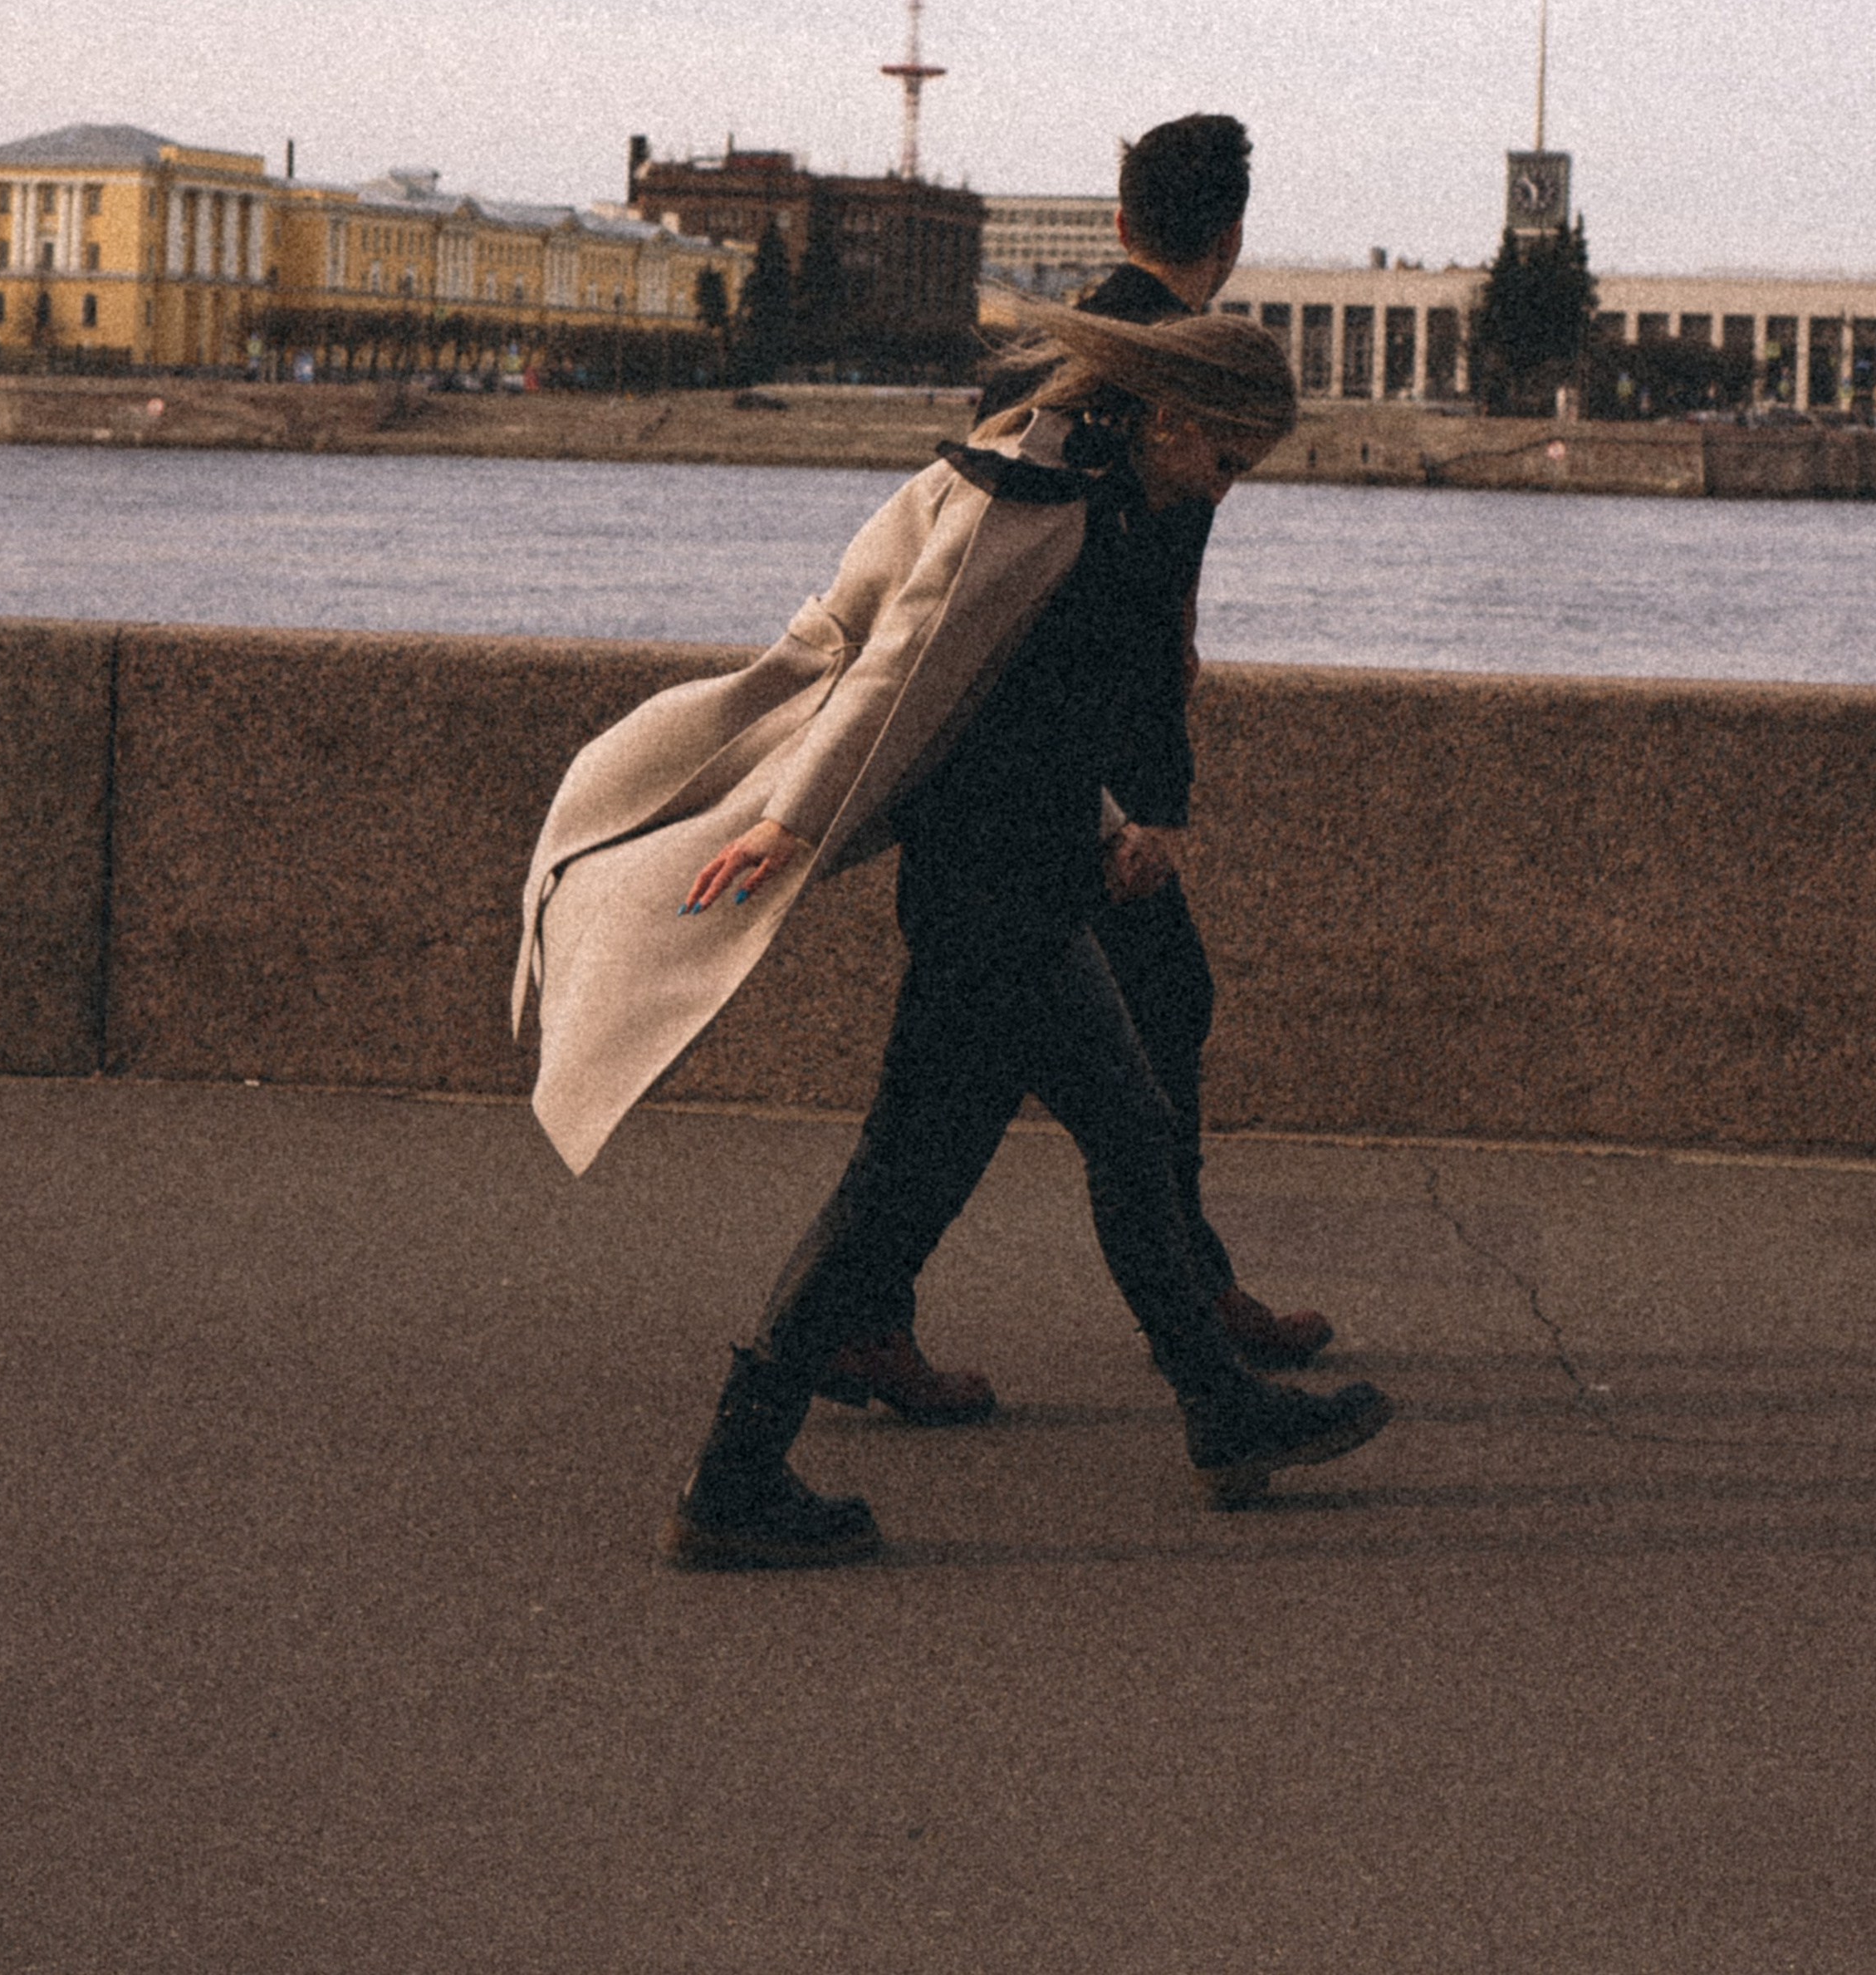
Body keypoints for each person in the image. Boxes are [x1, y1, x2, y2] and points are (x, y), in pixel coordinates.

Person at [515, 308, 1390, 1568]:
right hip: (994, 898)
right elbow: (904, 666)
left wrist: (1103, 822)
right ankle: (745, 1477)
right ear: (1176, 417)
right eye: (1230, 461)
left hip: (1021, 876)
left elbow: (1021, 712)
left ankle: (1203, 1413)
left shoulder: (1097, 500)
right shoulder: (1032, 497)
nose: (1227, 489)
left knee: (957, 1167)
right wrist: (788, 820)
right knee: (1017, 1157)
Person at [811, 112, 1330, 1430]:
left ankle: (851, 1328)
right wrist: (1151, 808)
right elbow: (1141, 624)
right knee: (1117, 1046)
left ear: (1116, 220)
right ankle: (1199, 1344)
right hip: (1052, 797)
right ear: (1231, 236)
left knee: (967, 1074)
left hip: (987, 779)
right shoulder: (1175, 372)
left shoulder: (1045, 350)